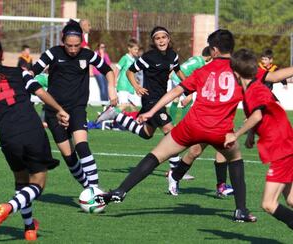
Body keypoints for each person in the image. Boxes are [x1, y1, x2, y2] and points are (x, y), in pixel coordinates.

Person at [95, 29, 257, 222]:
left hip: (192, 126)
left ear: (214, 50)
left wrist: (151, 111)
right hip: (220, 131)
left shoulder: (203, 70)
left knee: (156, 154)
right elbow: (269, 79)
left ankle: (121, 190)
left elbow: (175, 91)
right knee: (236, 159)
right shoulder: (241, 70)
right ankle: (241, 210)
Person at [0, 37, 69, 240]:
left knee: (21, 181)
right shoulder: (19, 72)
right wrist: (59, 109)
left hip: (8, 137)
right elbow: (40, 92)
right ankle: (9, 206)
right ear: (2, 55)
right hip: (31, 130)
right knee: (38, 184)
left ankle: (29, 228)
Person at [96, 26, 191, 184]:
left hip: (162, 98)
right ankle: (175, 172)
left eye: (163, 37)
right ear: (154, 41)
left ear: (168, 39)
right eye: (157, 38)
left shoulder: (173, 55)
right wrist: (137, 87)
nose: (161, 40)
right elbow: (130, 71)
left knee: (146, 133)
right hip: (150, 99)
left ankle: (116, 115)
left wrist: (190, 84)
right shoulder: (148, 57)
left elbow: (178, 70)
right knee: (170, 131)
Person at [31, 19, 117, 189]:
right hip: (54, 111)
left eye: (76, 45)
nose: (72, 49)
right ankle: (88, 188)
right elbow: (32, 72)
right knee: (70, 158)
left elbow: (107, 70)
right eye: (69, 45)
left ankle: (94, 190)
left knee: (82, 146)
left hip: (77, 109)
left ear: (81, 42)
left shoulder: (87, 54)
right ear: (63, 41)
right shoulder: (52, 53)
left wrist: (111, 88)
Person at [226, 48, 293, 230]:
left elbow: (256, 115)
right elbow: (261, 113)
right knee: (291, 200)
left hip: (282, 149)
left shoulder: (254, 91)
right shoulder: (254, 88)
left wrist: (237, 134)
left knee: (269, 204)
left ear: (235, 73)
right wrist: (250, 134)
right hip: (285, 146)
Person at [169, 47, 233, 197]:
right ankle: (174, 176)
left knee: (223, 149)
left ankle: (221, 186)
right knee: (195, 151)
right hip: (206, 118)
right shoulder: (205, 68)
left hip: (221, 118)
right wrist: (189, 94)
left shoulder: (229, 69)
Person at [115, 38, 139, 111]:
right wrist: (115, 81)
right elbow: (117, 69)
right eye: (135, 49)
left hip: (130, 87)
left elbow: (132, 73)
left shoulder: (134, 60)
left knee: (133, 107)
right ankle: (108, 116)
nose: (137, 51)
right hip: (123, 86)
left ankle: (134, 122)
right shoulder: (124, 58)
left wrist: (136, 82)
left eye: (137, 49)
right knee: (123, 106)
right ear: (129, 48)